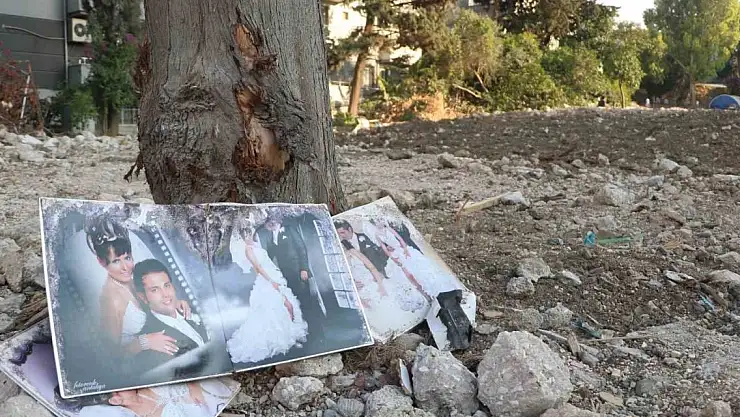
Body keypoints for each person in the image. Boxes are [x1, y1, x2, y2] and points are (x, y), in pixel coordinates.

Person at [84, 216, 192, 358]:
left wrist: (174, 303)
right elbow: (111, 356)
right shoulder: (111, 299)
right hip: (138, 362)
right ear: (101, 261)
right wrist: (144, 342)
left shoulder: (131, 280)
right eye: (116, 261)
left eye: (127, 258)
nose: (125, 267)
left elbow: (152, 302)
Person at [225, 222, 309, 364]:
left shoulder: (256, 245)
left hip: (274, 276)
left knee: (288, 307)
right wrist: (271, 281)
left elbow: (269, 259)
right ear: (243, 237)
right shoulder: (248, 250)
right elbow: (258, 268)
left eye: (250, 233)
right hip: (266, 281)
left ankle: (290, 338)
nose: (250, 235)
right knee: (280, 308)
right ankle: (281, 342)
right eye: (247, 234)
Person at [132, 259, 209, 362]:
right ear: (143, 297)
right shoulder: (152, 340)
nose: (165, 294)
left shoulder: (192, 309)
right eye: (155, 290)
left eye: (167, 285)